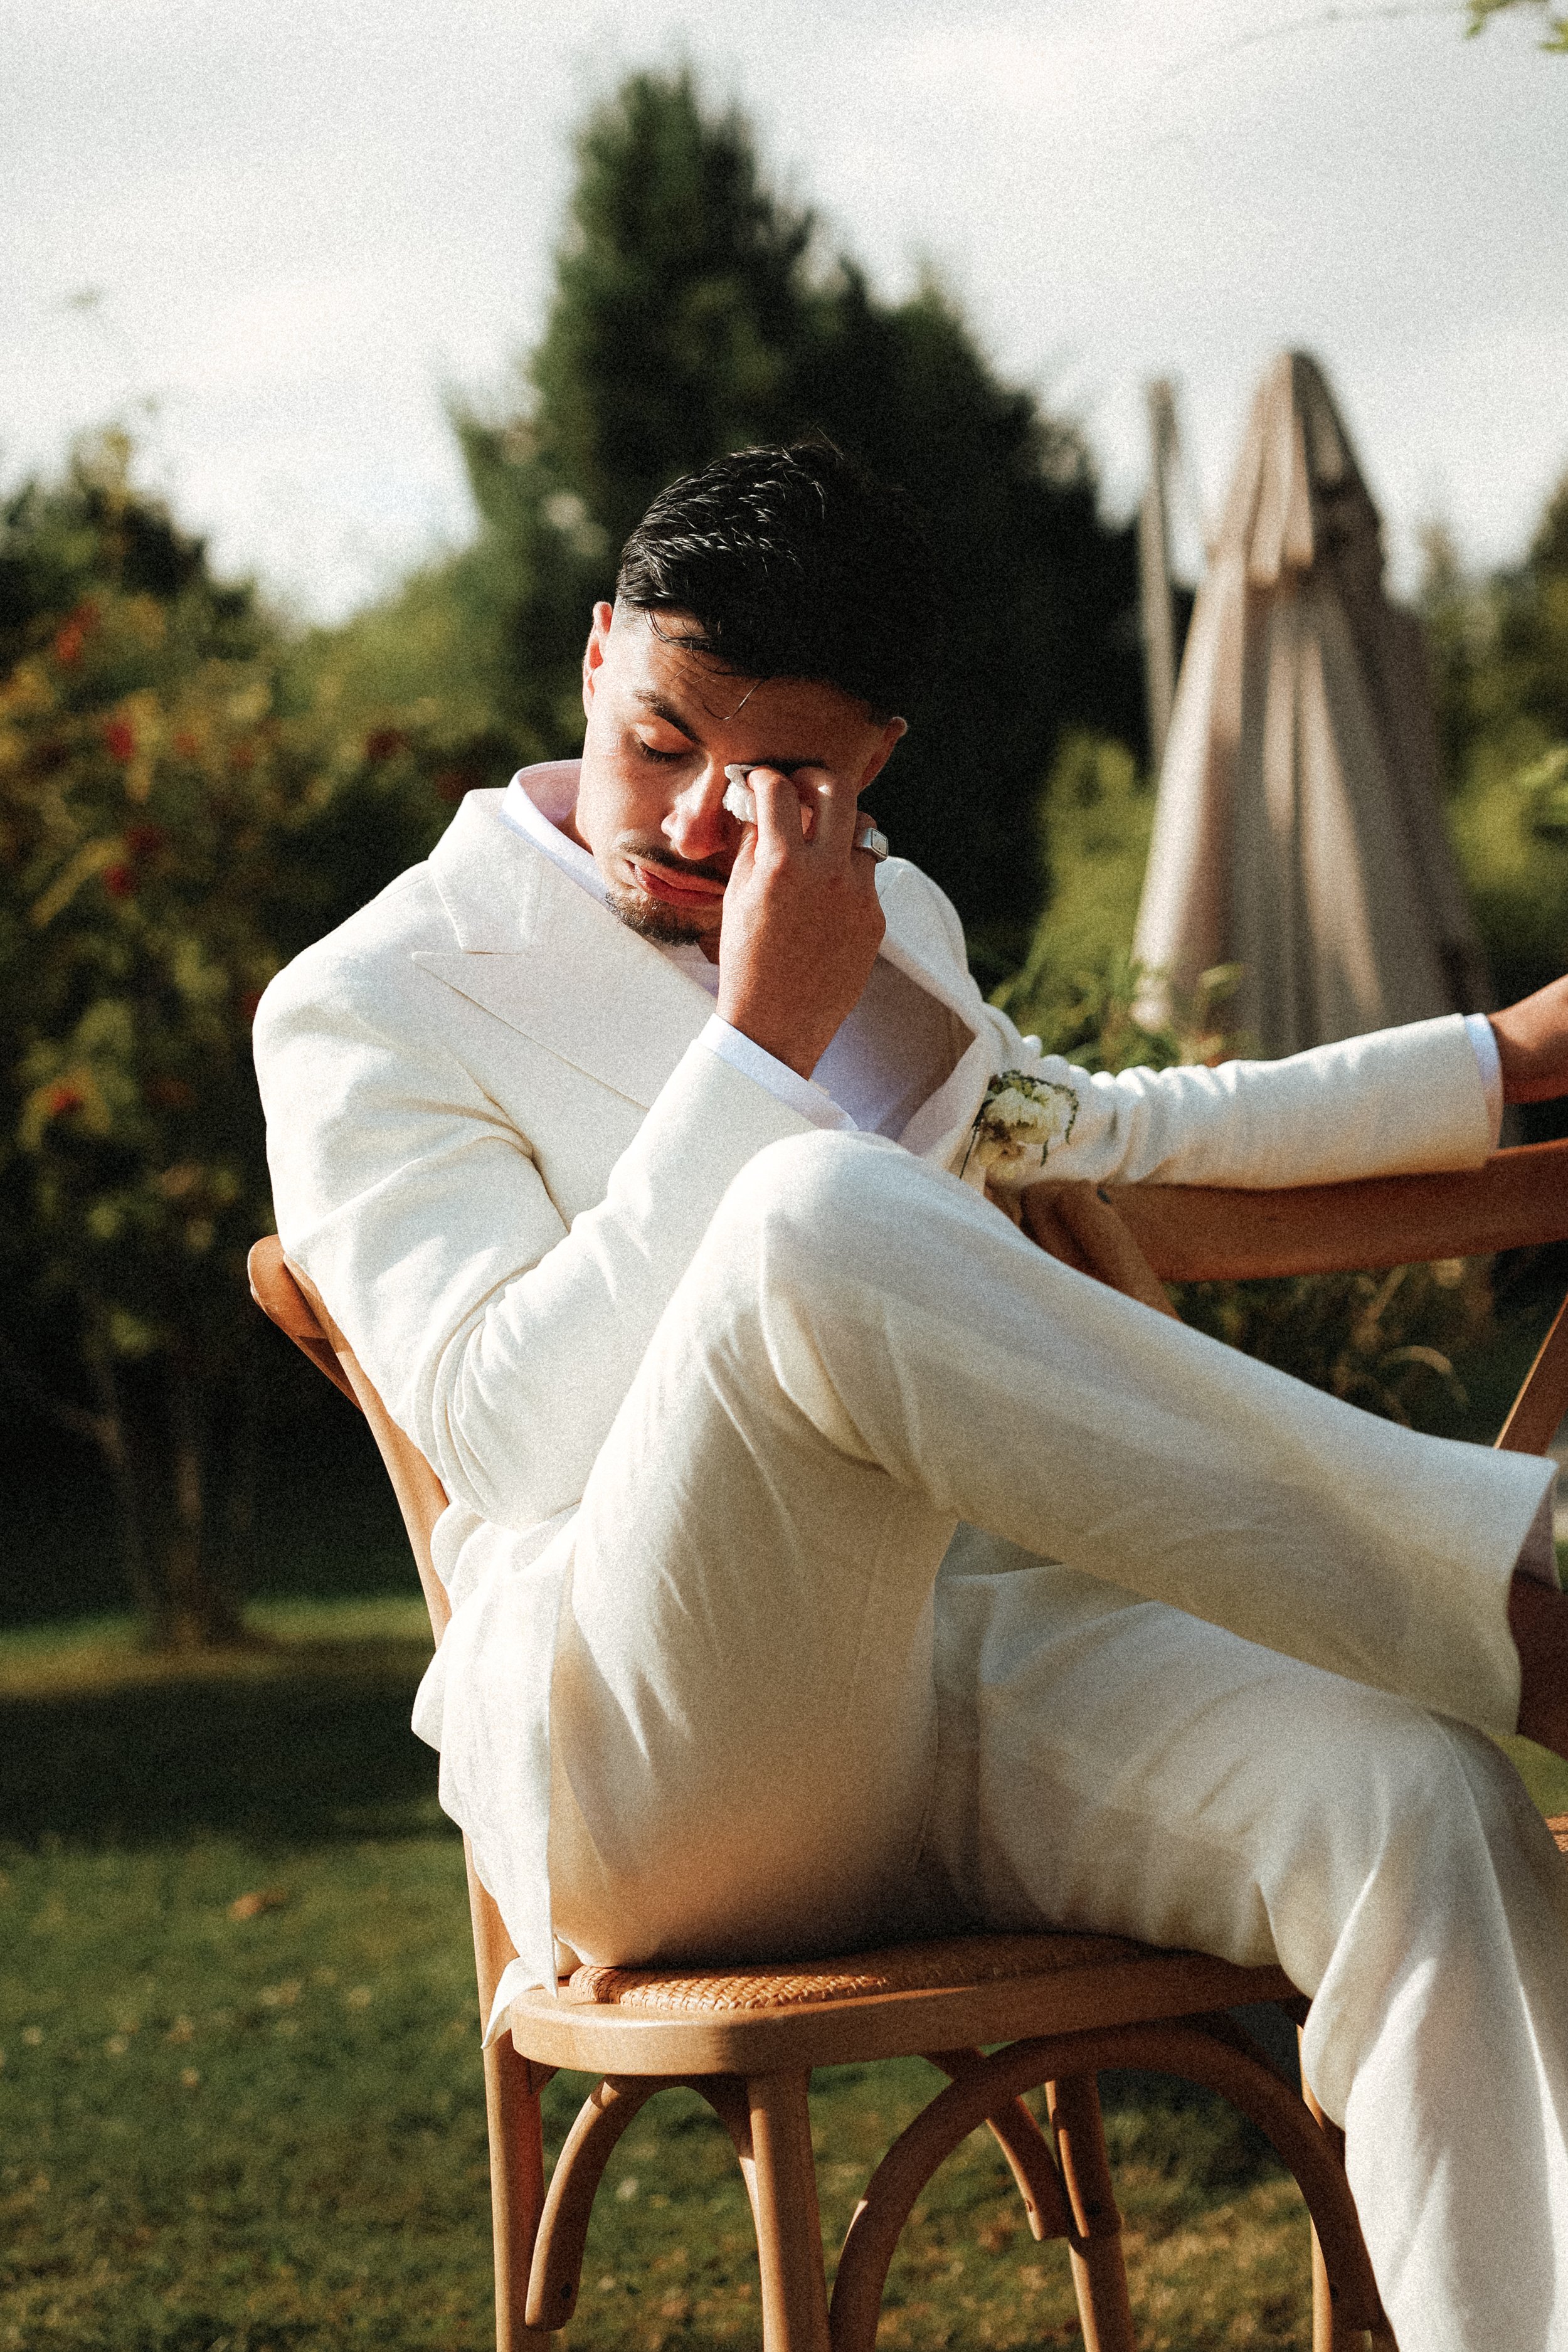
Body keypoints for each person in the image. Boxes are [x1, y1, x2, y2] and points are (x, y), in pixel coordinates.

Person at [255, 439, 1568, 2351]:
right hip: (661, 1758)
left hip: (979, 1675)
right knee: (803, 1206)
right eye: (659, 735)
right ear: (597, 645)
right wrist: (759, 1046)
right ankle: (1524, 1582)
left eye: (780, 774)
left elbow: (1100, 1130)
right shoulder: (371, 997)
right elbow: (507, 1434)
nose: (705, 818)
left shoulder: (890, 920)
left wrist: (1501, 1056)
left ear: (871, 758)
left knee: (1413, 1801)